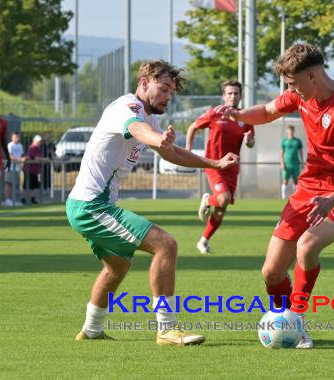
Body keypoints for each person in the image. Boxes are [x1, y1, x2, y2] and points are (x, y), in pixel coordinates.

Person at [66, 60, 238, 344]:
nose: (169, 96)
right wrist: (158, 139)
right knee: (165, 244)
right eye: (165, 88)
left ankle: (91, 331)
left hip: (89, 206)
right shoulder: (127, 107)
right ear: (145, 82)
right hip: (90, 206)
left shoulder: (151, 118)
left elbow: (172, 154)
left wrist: (214, 163)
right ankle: (167, 329)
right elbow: (137, 130)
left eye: (172, 91)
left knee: (117, 267)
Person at [216, 44, 334, 349]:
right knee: (272, 271)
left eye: (293, 83)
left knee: (307, 245)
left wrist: (332, 198)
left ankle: (295, 322)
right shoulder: (301, 96)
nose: (291, 90)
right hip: (308, 190)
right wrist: (238, 114)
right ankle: (282, 321)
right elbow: (267, 111)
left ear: (312, 75)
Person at [185, 80, 255, 255]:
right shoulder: (214, 114)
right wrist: (188, 150)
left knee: (222, 208)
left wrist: (249, 140)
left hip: (232, 168)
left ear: (240, 96)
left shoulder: (245, 117)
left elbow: (251, 142)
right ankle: (208, 199)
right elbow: (193, 127)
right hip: (213, 164)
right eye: (229, 93)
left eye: (236, 93)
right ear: (224, 96)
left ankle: (204, 240)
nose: (233, 96)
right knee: (222, 198)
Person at [280, 125, 303, 199]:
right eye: (289, 131)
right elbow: (281, 153)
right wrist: (282, 163)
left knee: (296, 181)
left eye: (292, 131)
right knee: (285, 180)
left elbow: (300, 152)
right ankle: (283, 197)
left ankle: (295, 196)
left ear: (293, 131)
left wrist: (302, 162)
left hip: (295, 164)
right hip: (287, 164)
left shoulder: (297, 141)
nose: (290, 132)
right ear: (287, 131)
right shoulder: (284, 141)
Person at [4, 132, 24, 206]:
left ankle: (11, 199)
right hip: (10, 167)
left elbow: (21, 155)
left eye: (18, 137)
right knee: (8, 183)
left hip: (17, 168)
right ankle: (7, 199)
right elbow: (9, 156)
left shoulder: (20, 145)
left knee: (14, 184)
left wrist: (21, 162)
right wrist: (19, 159)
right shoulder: (10, 145)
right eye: (15, 137)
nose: (17, 138)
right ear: (12, 137)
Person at [22, 135, 43, 205]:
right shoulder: (32, 148)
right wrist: (44, 159)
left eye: (40, 142)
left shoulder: (38, 149)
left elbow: (39, 158)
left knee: (34, 185)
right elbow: (36, 158)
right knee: (27, 185)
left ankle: (32, 199)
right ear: (34, 141)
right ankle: (24, 199)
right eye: (38, 141)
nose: (39, 143)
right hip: (29, 170)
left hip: (35, 170)